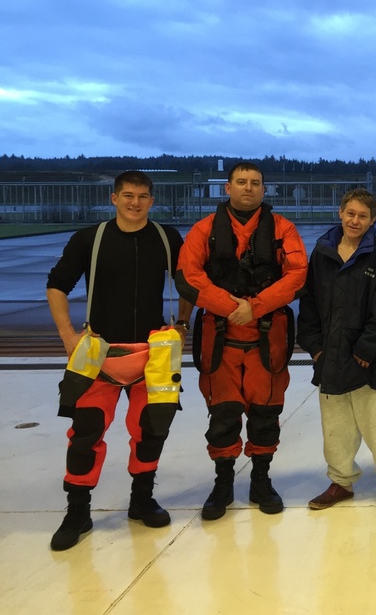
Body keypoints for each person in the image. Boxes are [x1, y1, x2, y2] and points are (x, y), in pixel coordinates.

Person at [46, 170, 191, 551]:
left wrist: (183, 323)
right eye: (128, 195)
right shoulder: (89, 239)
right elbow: (57, 284)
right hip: (99, 354)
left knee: (150, 430)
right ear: (113, 198)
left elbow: (188, 281)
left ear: (152, 200)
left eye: (143, 196)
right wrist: (68, 337)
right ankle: (78, 510)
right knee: (86, 433)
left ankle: (141, 499)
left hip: (152, 355)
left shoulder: (167, 238)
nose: (135, 202)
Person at [176, 162, 307, 519]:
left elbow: (297, 276)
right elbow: (189, 275)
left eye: (255, 183)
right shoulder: (204, 231)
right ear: (227, 189)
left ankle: (261, 480)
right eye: (241, 182)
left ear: (264, 190)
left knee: (266, 411)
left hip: (267, 337)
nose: (248, 188)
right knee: (223, 413)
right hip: (221, 337)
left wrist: (256, 307)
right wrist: (229, 307)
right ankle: (223, 484)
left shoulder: (283, 229)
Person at [297, 189, 376, 512]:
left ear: (372, 220)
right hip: (330, 358)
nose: (355, 220)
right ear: (340, 213)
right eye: (350, 214)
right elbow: (309, 305)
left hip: (369, 361)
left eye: (362, 216)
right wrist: (316, 348)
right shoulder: (322, 253)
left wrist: (366, 349)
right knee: (336, 427)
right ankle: (340, 481)